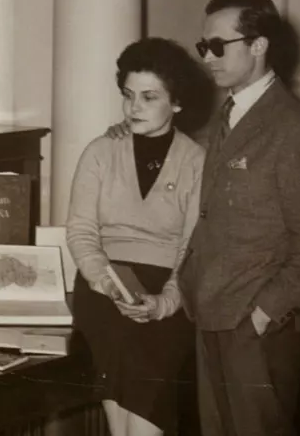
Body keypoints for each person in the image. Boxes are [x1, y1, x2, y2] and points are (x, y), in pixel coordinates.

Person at [105, 0, 300, 436]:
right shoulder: (227, 119)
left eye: (217, 46)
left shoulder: (298, 130)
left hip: (257, 329)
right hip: (212, 316)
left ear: (258, 45)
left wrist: (263, 314)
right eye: (203, 46)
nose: (207, 57)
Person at [66, 37, 210, 436]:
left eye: (149, 97)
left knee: (145, 412)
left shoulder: (197, 162)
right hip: (104, 287)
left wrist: (165, 303)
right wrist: (107, 281)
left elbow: (192, 248)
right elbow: (80, 231)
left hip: (168, 289)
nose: (134, 108)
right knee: (122, 418)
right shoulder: (100, 152)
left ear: (176, 103)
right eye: (128, 96)